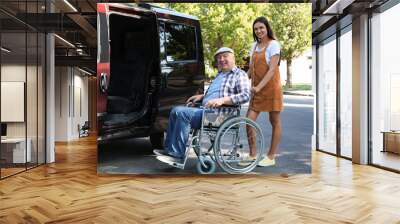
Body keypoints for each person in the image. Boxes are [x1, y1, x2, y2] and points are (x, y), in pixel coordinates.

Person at [154, 47, 251, 166]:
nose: (221, 59)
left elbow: (245, 96)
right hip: (207, 111)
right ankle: (169, 150)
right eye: (219, 58)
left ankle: (177, 155)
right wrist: (202, 96)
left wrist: (223, 100)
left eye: (225, 56)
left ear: (233, 58)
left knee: (181, 113)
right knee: (174, 110)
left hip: (220, 115)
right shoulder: (220, 75)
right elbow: (216, 92)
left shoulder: (239, 74)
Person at [246, 16, 283, 167]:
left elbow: (272, 69)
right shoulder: (254, 46)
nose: (259, 31)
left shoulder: (274, 45)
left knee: (274, 121)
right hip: (256, 90)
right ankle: (253, 154)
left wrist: (259, 87)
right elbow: (250, 69)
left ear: (267, 28)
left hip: (271, 88)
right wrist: (241, 80)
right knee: (248, 121)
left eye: (261, 27)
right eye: (256, 29)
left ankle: (271, 156)